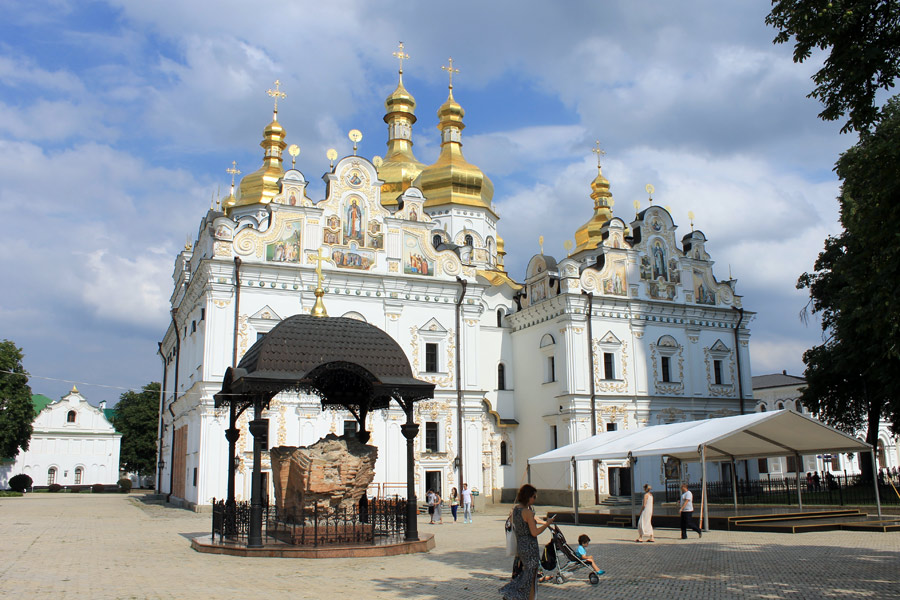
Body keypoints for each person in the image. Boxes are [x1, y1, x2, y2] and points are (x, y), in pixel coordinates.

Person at [499, 484, 555, 600]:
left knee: (529, 575)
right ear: (528, 497)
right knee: (530, 576)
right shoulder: (527, 513)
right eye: (534, 497)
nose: (535, 499)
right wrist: (547, 524)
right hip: (530, 547)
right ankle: (512, 593)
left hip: (521, 546)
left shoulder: (515, 510)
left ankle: (523, 595)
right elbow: (534, 532)